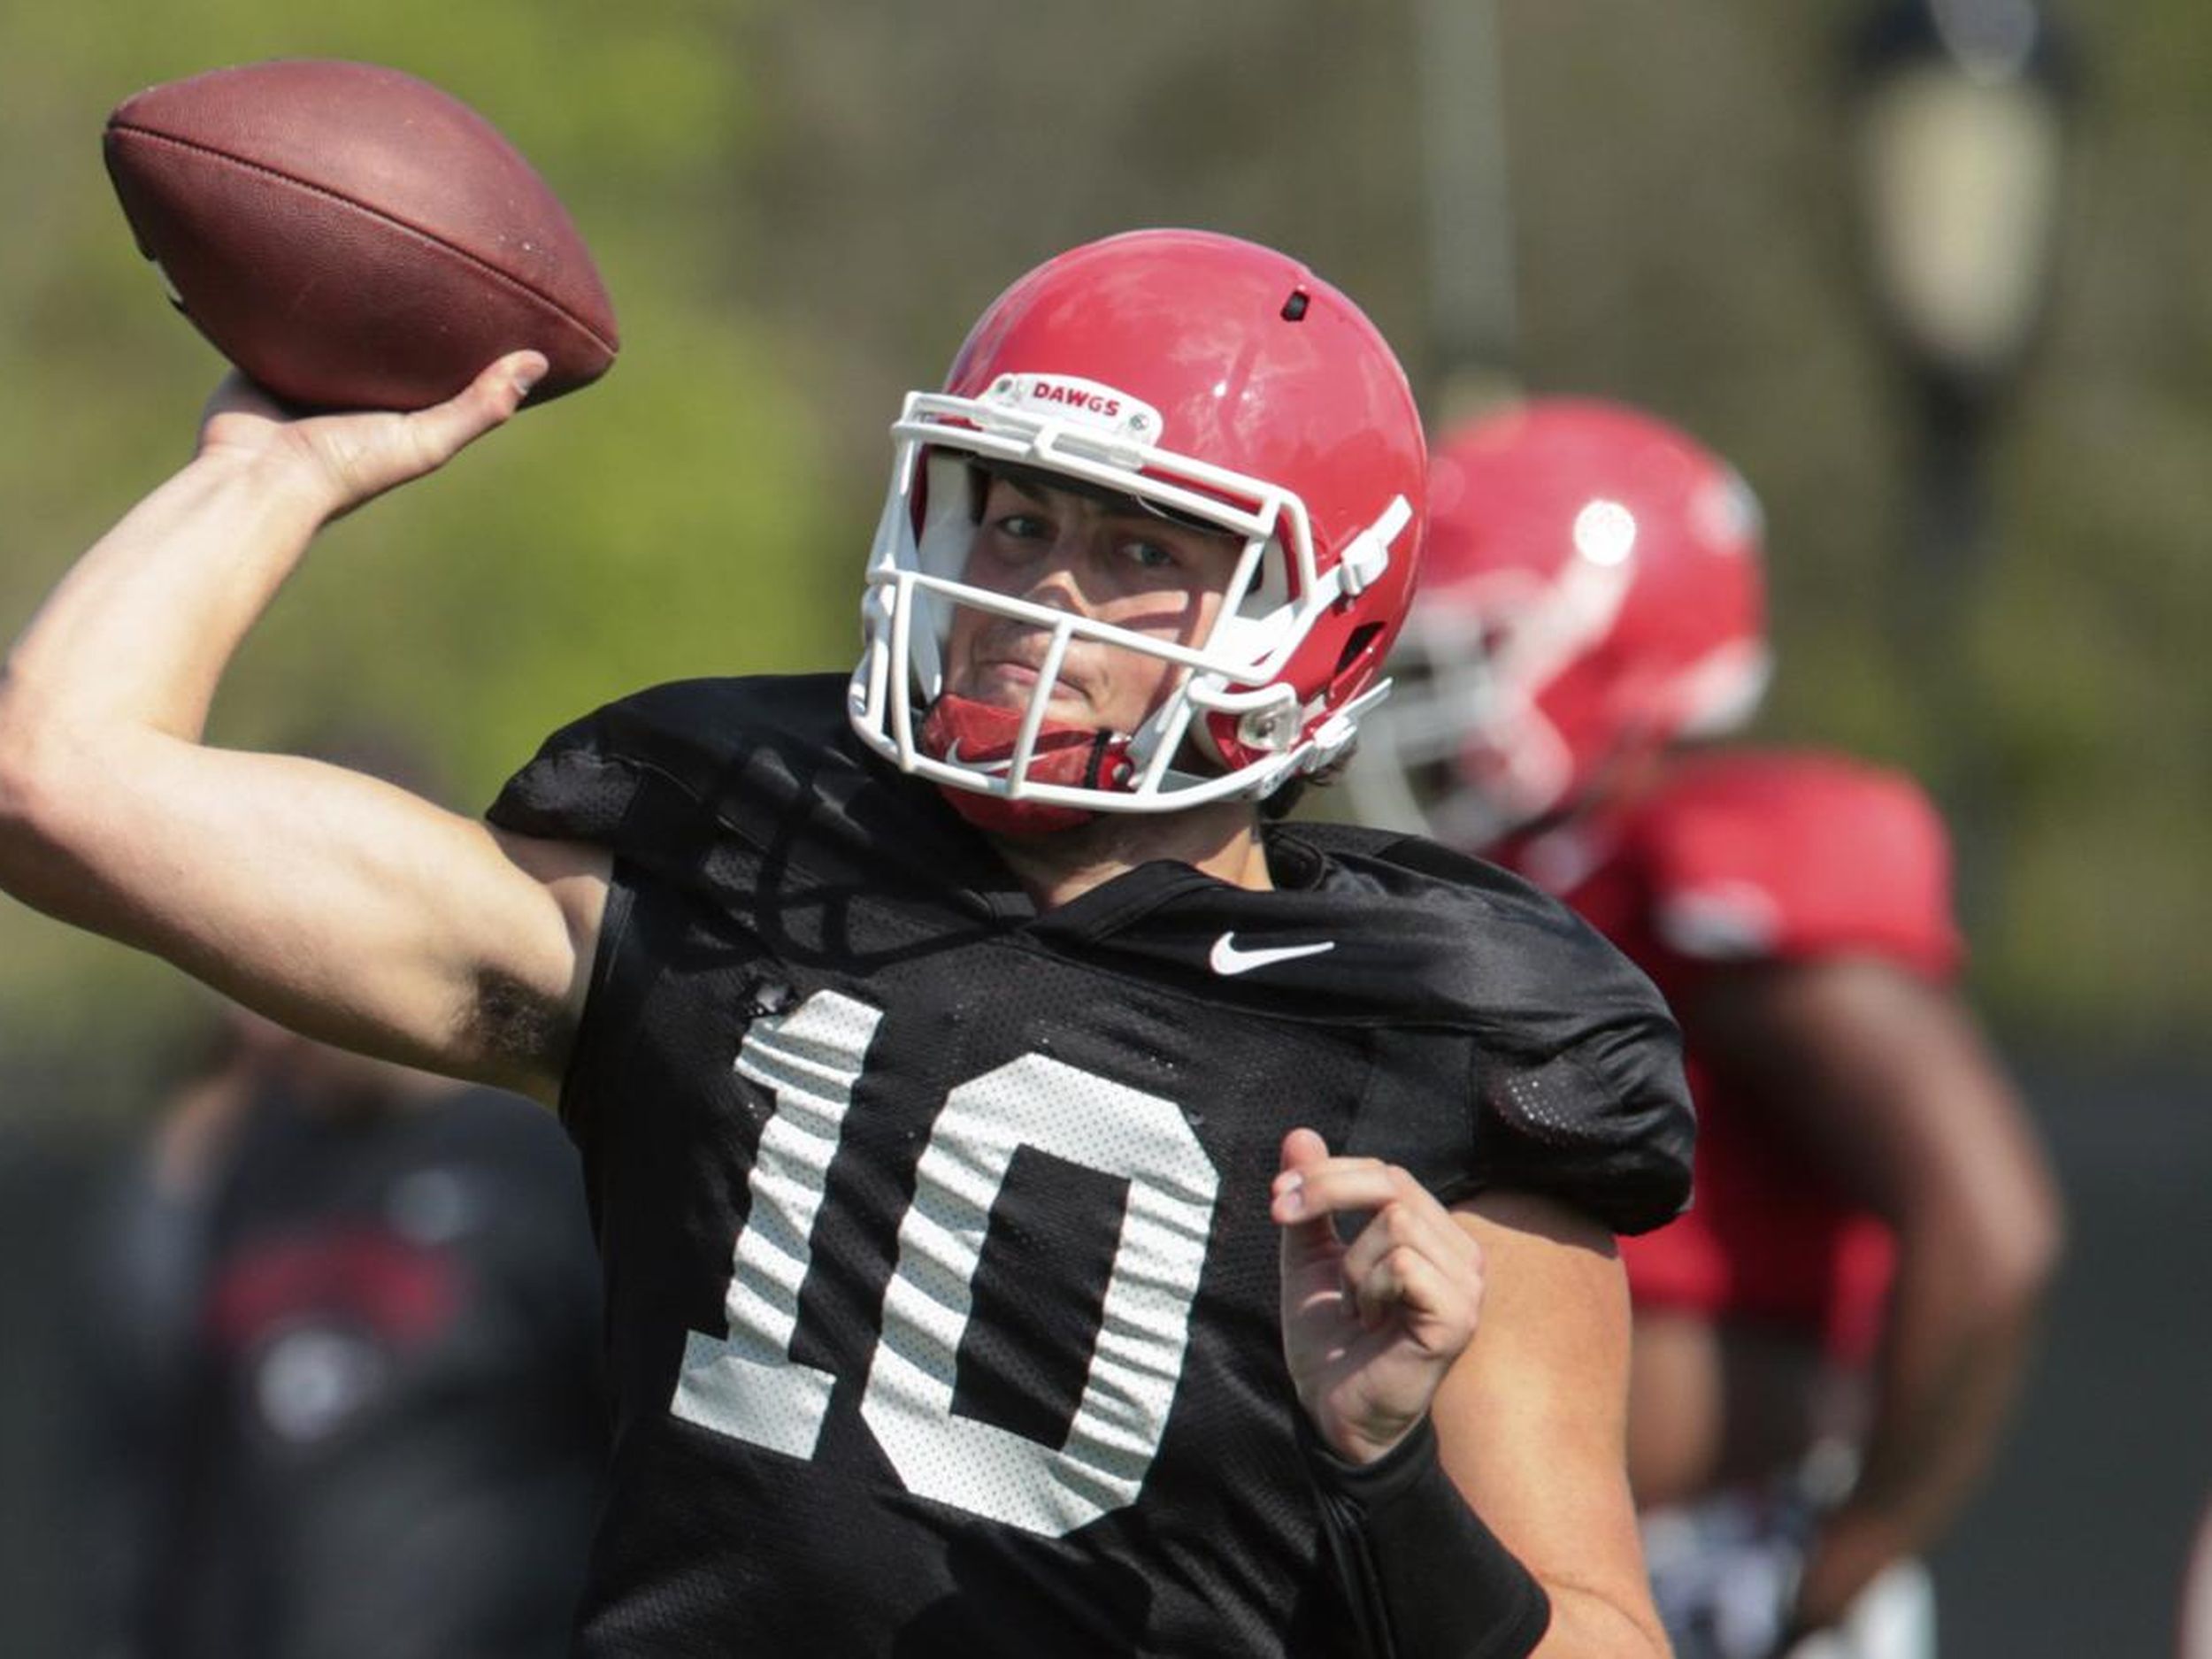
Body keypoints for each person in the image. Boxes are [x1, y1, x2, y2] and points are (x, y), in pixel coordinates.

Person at [0, 228, 1695, 1656]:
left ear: (1319, 613)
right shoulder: (735, 874)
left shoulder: (1442, 1034)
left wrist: (1388, 1474)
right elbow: (54, 783)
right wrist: (273, 471)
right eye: (1018, 523)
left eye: (1139, 550)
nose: (1044, 600)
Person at [1348, 397, 2065, 1658]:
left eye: (1474, 649)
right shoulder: (1544, 878)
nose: (1431, 694)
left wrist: (1849, 1558)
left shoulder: (1715, 852)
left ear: (1606, 646)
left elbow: (1991, 1221)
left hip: (1713, 1567)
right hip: (1526, 1559)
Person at [70, 997, 607, 1659]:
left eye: (273, 986)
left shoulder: (544, 1163)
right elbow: (173, 1475)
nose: (256, 1028)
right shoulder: (246, 1166)